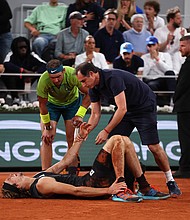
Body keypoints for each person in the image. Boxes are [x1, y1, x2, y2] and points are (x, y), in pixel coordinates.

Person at [75, 61, 181, 197]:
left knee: (153, 147)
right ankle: (122, 185)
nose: (83, 85)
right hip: (126, 110)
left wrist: (106, 130)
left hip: (143, 106)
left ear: (91, 74)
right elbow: (95, 113)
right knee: (115, 143)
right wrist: (88, 129)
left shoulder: (113, 78)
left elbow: (122, 108)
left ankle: (170, 181)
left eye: (84, 81)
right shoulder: (93, 88)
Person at [1, 122, 170, 201]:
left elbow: (65, 162)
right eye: (10, 178)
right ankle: (120, 188)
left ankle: (143, 186)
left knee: (125, 140)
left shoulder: (39, 175)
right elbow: (76, 191)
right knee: (116, 139)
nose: (11, 175)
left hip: (92, 180)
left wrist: (79, 138)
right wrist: (107, 191)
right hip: (92, 183)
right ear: (16, 186)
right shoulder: (41, 184)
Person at [36, 59, 90, 172]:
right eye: (52, 77)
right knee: (47, 137)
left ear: (64, 71)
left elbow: (89, 94)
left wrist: (80, 114)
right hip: (52, 106)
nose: (56, 80)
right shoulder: (43, 80)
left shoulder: (72, 74)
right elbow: (42, 105)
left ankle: (72, 171)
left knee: (71, 138)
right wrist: (47, 126)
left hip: (72, 104)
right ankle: (45, 173)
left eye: (58, 76)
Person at [2, 36, 46, 105]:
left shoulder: (32, 55)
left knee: (43, 75)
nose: (23, 49)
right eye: (21, 48)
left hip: (29, 79)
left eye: (25, 47)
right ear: (16, 48)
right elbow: (6, 64)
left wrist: (34, 74)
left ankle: (40, 99)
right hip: (14, 81)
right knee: (8, 72)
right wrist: (23, 71)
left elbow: (44, 65)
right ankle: (15, 98)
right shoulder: (11, 55)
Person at [172, 35, 190, 178]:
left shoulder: (188, 64)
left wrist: (175, 99)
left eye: (183, 46)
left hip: (185, 107)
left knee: (185, 138)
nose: (180, 48)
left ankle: (185, 168)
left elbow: (181, 86)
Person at [141, 36, 176, 106]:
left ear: (158, 45)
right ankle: (153, 105)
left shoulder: (166, 55)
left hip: (163, 79)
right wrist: (151, 61)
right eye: (149, 45)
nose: (151, 48)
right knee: (152, 85)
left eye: (153, 45)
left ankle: (173, 100)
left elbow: (169, 69)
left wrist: (157, 60)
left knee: (170, 74)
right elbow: (144, 74)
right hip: (151, 79)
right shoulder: (144, 57)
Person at [154, 6, 187, 74]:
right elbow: (157, 48)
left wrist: (183, 37)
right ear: (171, 19)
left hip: (178, 58)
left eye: (180, 18)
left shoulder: (182, 31)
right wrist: (167, 41)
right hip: (164, 59)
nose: (180, 20)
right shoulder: (159, 31)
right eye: (178, 18)